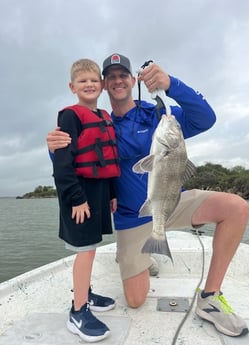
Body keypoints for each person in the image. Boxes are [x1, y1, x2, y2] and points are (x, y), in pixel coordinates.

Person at [47, 53, 249, 337]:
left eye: (123, 75)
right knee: (136, 300)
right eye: (112, 76)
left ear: (132, 80)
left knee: (237, 208)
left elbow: (206, 119)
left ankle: (210, 296)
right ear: (105, 85)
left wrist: (172, 85)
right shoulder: (99, 124)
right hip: (132, 217)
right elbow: (75, 159)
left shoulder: (158, 115)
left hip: (172, 200)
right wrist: (54, 147)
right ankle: (139, 256)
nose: (118, 80)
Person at [52, 58, 120, 342]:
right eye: (82, 81)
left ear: (102, 85)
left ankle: (86, 293)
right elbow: (63, 164)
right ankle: (78, 310)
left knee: (92, 246)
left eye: (94, 80)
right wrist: (76, 199)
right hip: (79, 195)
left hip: (100, 193)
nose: (89, 85)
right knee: (86, 250)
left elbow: (110, 160)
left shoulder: (105, 115)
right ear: (72, 87)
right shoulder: (70, 116)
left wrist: (112, 195)